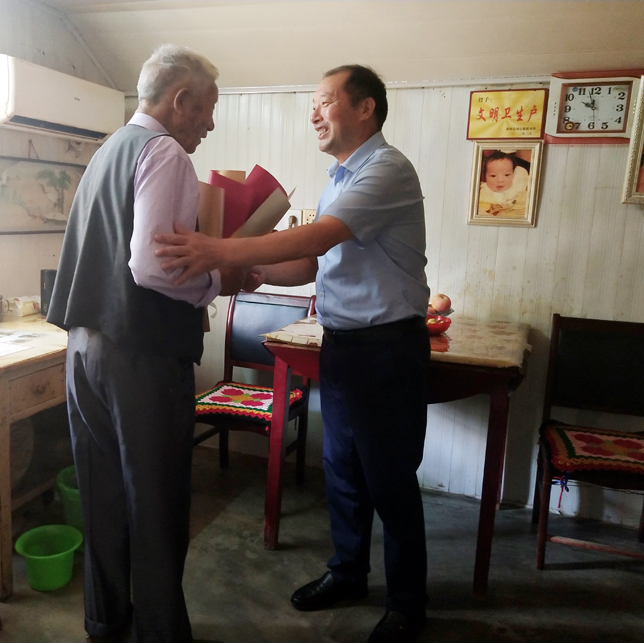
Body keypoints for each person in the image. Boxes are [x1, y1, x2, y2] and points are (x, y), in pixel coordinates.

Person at [155, 64, 431, 643]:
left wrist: (218, 248)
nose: (314, 113)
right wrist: (250, 272)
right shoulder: (339, 178)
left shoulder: (387, 169)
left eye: (325, 101)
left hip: (387, 349)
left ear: (365, 108)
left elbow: (318, 236)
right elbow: (311, 263)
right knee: (342, 472)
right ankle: (348, 573)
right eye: (313, 103)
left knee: (389, 481)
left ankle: (408, 603)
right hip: (344, 345)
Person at [47, 44, 242, 643]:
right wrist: (219, 280)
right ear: (180, 101)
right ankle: (160, 633)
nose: (210, 124)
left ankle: (106, 623)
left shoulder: (108, 149)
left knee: (102, 495)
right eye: (207, 109)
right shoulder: (165, 152)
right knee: (156, 505)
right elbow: (154, 267)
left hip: (84, 349)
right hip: (141, 356)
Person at [477, 151, 528, 218]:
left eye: (507, 175)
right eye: (493, 175)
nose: (500, 180)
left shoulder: (518, 187)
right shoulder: (484, 193)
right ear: (485, 177)